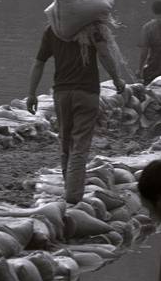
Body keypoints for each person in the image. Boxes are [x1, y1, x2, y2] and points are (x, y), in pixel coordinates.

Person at [26, 21, 125, 204]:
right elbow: (104, 54)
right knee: (80, 145)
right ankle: (73, 195)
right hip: (87, 93)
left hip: (62, 93)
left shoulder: (53, 29)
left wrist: (32, 93)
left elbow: (39, 62)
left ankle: (69, 189)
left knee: (65, 141)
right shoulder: (93, 28)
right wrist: (116, 79)